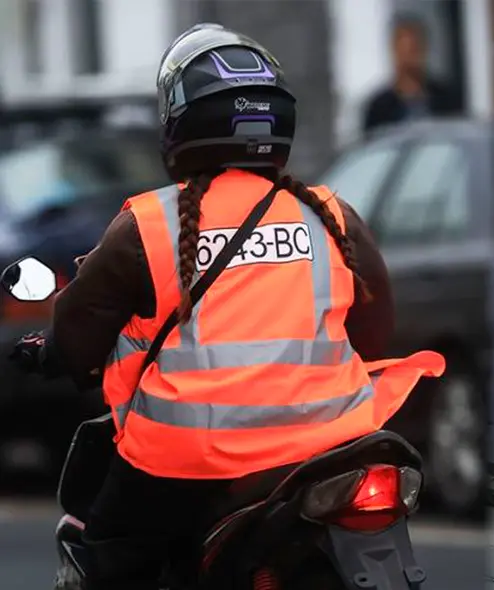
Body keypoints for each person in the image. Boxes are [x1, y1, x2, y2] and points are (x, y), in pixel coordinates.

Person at [8, 24, 444, 590]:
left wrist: (52, 354)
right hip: (332, 446)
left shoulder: (147, 226)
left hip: (186, 463)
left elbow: (78, 339)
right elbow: (374, 332)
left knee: (109, 552)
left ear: (178, 122)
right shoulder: (331, 216)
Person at [361, 13, 461, 135]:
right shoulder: (379, 108)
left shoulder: (446, 100)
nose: (409, 58)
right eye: (404, 50)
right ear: (394, 51)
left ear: (424, 49)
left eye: (414, 49)